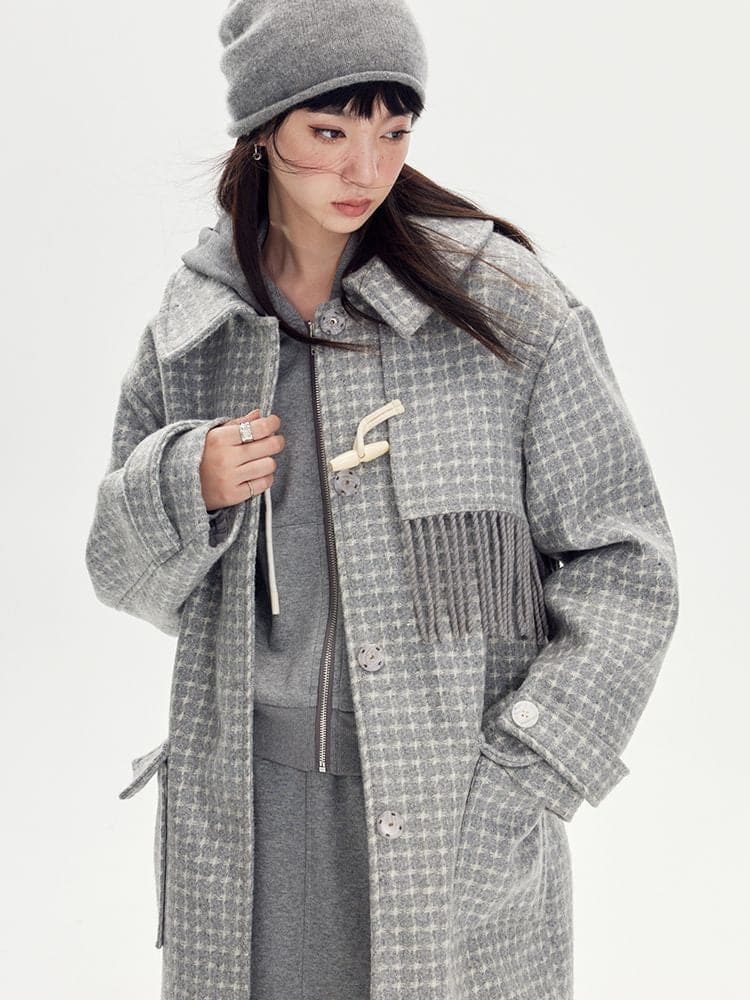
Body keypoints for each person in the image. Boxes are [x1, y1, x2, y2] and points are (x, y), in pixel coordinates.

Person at [86, 2, 680, 999]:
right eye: (330, 133)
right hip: (249, 816)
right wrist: (186, 481)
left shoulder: (505, 310)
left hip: (450, 811)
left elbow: (628, 565)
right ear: (262, 129)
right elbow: (124, 579)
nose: (366, 170)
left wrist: (527, 772)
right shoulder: (198, 332)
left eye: (393, 133)